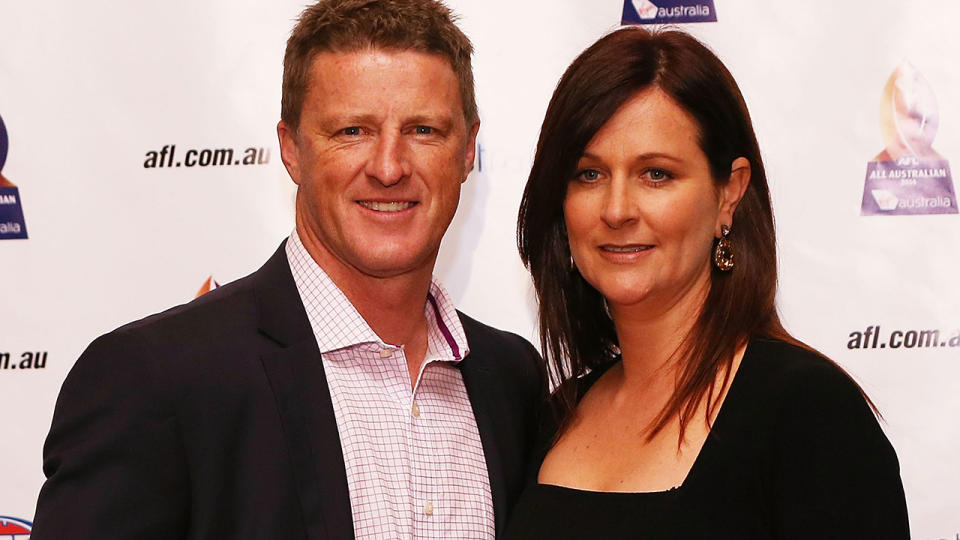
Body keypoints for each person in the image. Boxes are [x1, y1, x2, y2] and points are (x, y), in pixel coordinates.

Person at [31, 1, 545, 538]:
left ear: (467, 151)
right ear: (291, 150)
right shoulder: (153, 380)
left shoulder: (511, 381)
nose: (389, 167)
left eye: (422, 130)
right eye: (352, 131)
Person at [506, 27, 909, 539]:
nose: (616, 210)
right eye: (589, 174)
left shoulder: (810, 414)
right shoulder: (558, 412)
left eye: (656, 174)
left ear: (729, 193)